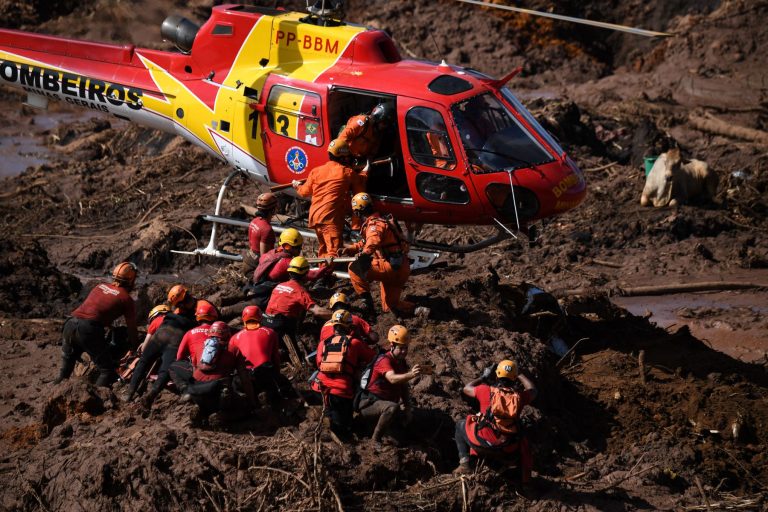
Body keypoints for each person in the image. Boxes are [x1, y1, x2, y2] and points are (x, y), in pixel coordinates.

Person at [55, 262, 138, 387]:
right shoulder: (126, 298)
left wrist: (108, 325)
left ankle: (52, 392)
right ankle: (97, 398)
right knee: (107, 371)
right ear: (131, 280)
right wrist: (135, 347)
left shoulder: (100, 286)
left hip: (70, 324)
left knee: (64, 373)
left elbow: (96, 308)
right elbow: (132, 327)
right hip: (87, 329)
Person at [453, 359, 537, 482]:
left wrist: (483, 377)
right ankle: (525, 483)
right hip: (507, 450)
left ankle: (465, 464)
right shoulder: (519, 398)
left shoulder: (485, 390)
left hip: (481, 443)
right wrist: (520, 374)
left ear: (497, 375)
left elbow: (466, 388)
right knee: (523, 439)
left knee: (461, 424)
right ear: (514, 378)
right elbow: (533, 391)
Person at [123, 284, 197, 405]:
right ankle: (152, 394)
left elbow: (145, 346)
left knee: (143, 362)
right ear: (182, 303)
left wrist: (140, 350)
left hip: (160, 337)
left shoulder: (170, 314)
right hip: (174, 342)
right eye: (188, 297)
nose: (191, 298)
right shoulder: (194, 318)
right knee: (166, 370)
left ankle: (129, 393)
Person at [343, 192, 414, 319]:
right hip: (401, 267)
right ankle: (417, 310)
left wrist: (364, 255)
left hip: (389, 266)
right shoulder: (382, 220)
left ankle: (367, 303)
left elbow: (372, 242)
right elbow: (365, 242)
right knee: (390, 306)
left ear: (358, 211)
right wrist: (350, 249)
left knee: (354, 268)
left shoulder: (374, 224)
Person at [292, 140, 366, 258]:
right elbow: (360, 183)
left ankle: (322, 271)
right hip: (330, 220)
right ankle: (325, 274)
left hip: (316, 218)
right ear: (343, 157)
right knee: (333, 254)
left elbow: (304, 192)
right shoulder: (347, 172)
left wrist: (297, 185)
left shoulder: (316, 171)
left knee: (324, 250)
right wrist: (366, 170)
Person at [311, 310, 376, 439]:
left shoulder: (322, 344)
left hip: (319, 388)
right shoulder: (355, 343)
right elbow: (373, 359)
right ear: (349, 326)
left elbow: (319, 364)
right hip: (341, 392)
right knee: (344, 430)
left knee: (330, 421)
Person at [358, 325, 423, 448]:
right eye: (401, 348)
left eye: (406, 348)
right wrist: (411, 374)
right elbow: (392, 379)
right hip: (370, 404)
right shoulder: (384, 360)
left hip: (384, 405)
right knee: (392, 408)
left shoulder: (400, 362)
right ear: (392, 346)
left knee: (403, 435)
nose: (404, 351)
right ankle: (375, 439)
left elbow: (403, 386)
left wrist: (408, 407)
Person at [185, 321, 257, 422]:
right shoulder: (233, 349)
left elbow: (194, 369)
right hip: (218, 394)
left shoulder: (199, 347)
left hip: (195, 391)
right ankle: (220, 416)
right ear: (227, 335)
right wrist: (252, 402)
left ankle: (202, 409)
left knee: (208, 397)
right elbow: (244, 379)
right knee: (244, 406)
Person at [229, 305, 295, 410]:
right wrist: (277, 376)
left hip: (243, 379)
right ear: (260, 317)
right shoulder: (270, 332)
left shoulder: (234, 338)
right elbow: (275, 359)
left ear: (243, 318)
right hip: (265, 376)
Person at [263, 256, 332, 344]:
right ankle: (296, 332)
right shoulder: (300, 292)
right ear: (306, 273)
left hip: (266, 322)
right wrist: (336, 315)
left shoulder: (279, 286)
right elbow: (318, 311)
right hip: (282, 327)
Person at [169, 299, 219, 393]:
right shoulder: (221, 331)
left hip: (199, 374)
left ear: (198, 318)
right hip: (220, 372)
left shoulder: (189, 333)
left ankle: (185, 391)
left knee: (173, 366)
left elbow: (179, 357)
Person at [243, 192, 279, 276]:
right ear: (273, 209)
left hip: (248, 260)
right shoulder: (266, 229)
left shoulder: (254, 221)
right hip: (254, 268)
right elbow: (264, 258)